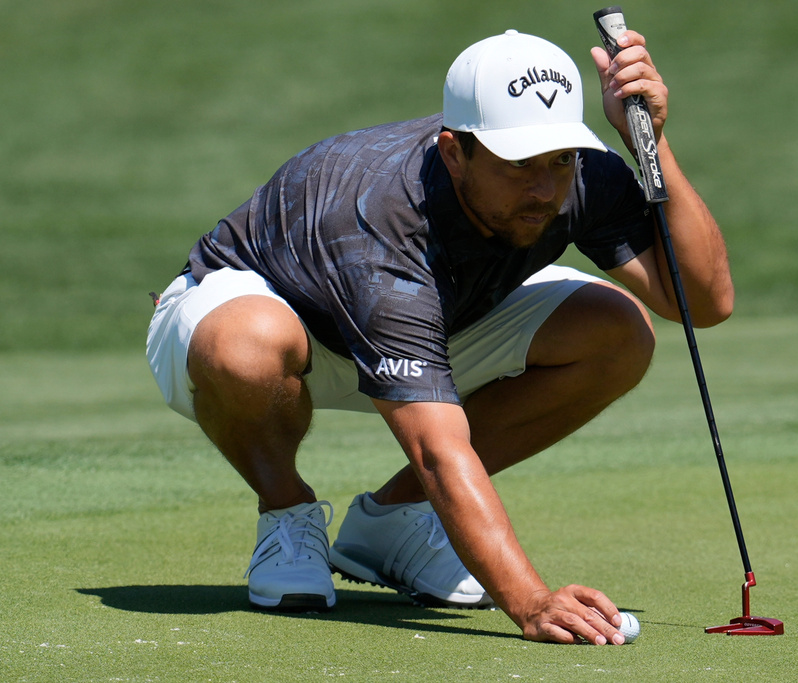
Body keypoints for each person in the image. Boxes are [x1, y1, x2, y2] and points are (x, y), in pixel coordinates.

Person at [146, 28, 732, 645]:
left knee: (616, 330)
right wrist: (531, 602)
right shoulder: (380, 220)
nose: (544, 188)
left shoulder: (579, 175)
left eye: (560, 159)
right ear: (455, 152)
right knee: (246, 344)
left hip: (436, 318)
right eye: (519, 165)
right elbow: (435, 447)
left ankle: (392, 521)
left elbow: (703, 301)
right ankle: (287, 512)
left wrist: (652, 142)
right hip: (259, 329)